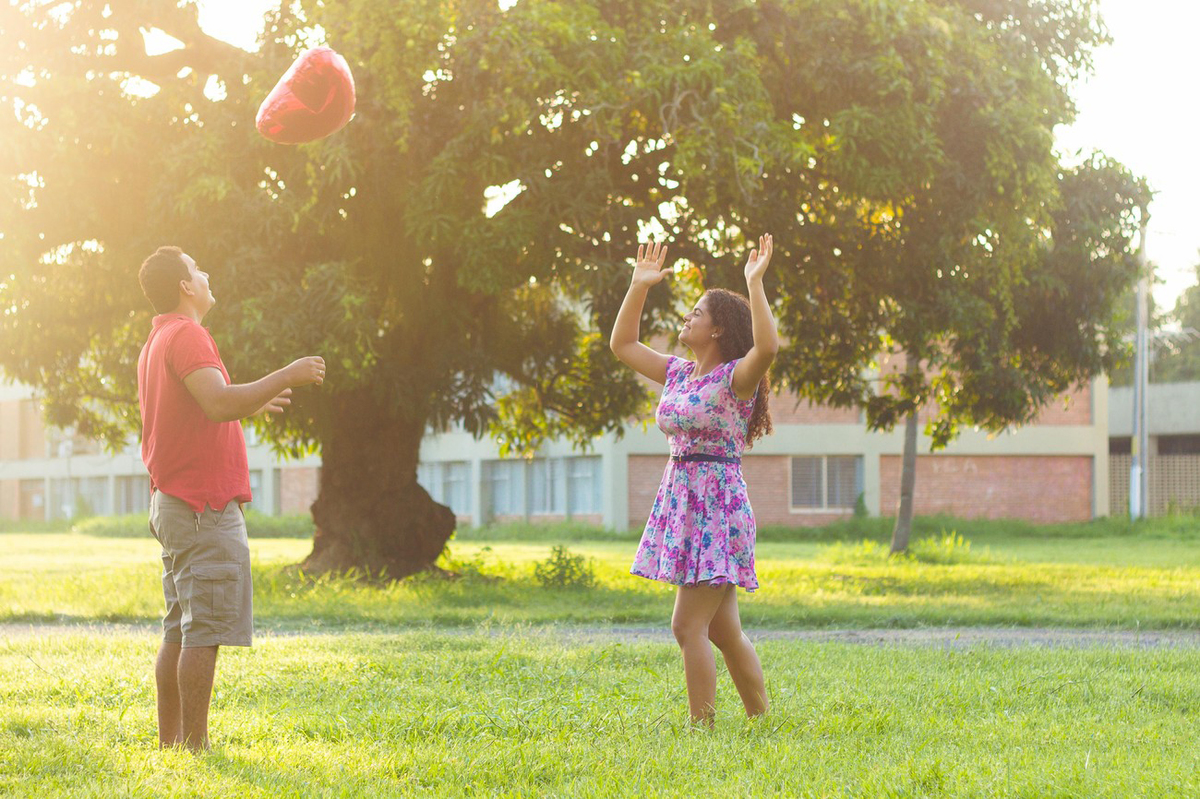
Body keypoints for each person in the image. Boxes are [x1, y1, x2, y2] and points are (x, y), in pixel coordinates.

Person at [136, 245, 325, 750]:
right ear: (184, 286)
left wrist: (255, 401)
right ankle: (194, 749)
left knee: (179, 626)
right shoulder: (188, 334)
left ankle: (171, 743)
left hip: (175, 503)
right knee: (203, 630)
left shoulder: (158, 339)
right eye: (197, 269)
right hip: (203, 509)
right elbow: (218, 403)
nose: (206, 273)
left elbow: (199, 410)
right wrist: (287, 373)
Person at [610, 235, 779, 726]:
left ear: (719, 329)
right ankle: (762, 721)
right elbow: (622, 345)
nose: (687, 318)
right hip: (685, 503)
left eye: (697, 313)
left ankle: (701, 730)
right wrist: (638, 286)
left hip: (718, 507)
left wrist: (754, 283)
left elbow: (767, 344)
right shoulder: (680, 375)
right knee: (722, 631)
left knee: (687, 626)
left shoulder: (734, 379)